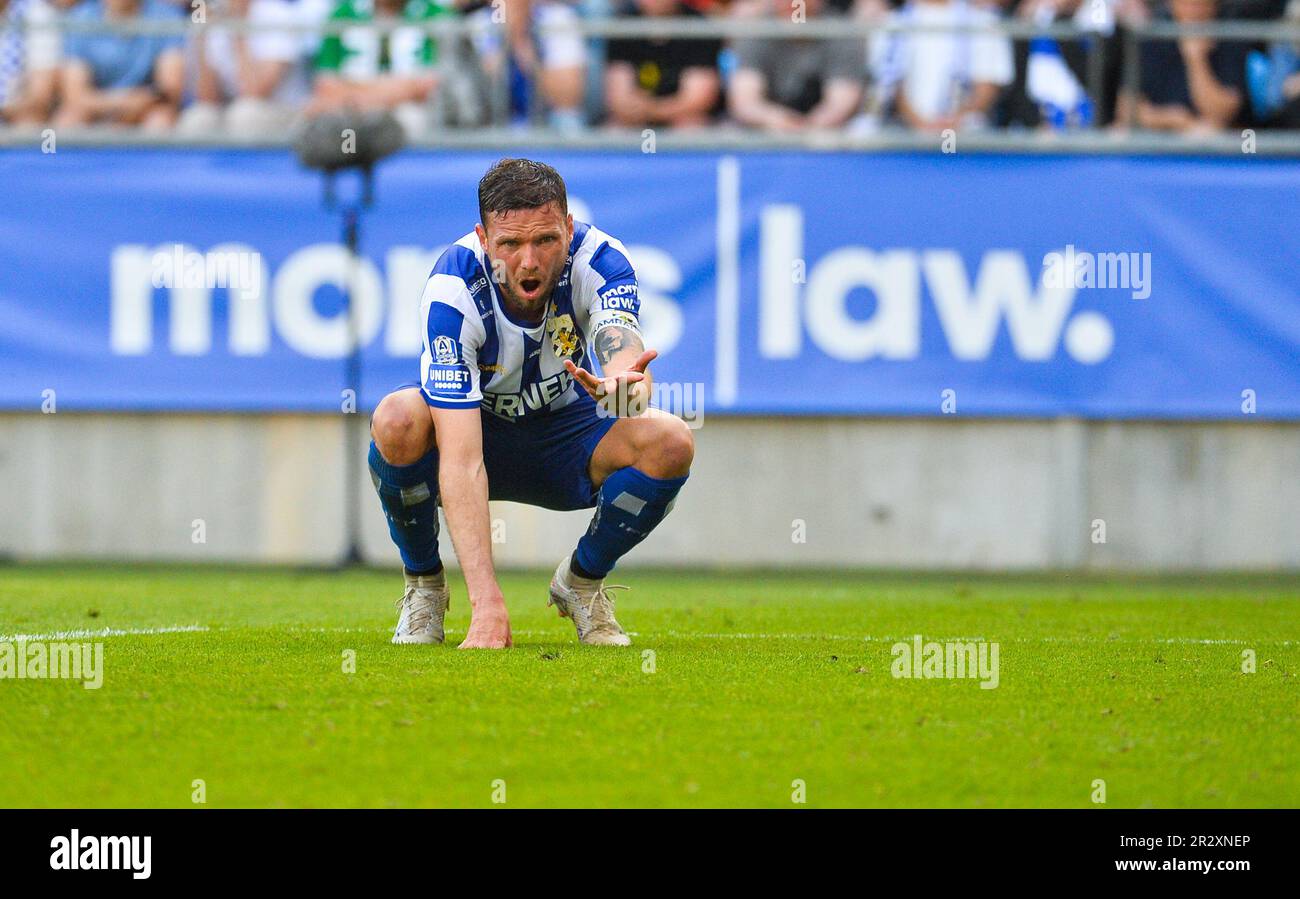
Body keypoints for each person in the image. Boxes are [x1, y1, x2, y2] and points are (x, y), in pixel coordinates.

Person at [368, 158, 694, 649]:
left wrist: (625, 390)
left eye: (545, 240)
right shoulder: (453, 290)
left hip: (570, 435)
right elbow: (460, 461)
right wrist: (488, 605)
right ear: (483, 238)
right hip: (481, 437)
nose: (529, 261)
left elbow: (627, 363)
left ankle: (582, 582)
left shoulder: (602, 262)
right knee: (396, 419)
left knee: (671, 440)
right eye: (510, 244)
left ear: (568, 226)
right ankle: (425, 588)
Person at [871, 0, 1014, 131]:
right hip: (903, 138)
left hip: (963, 140)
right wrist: (921, 125)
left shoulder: (983, 20)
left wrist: (951, 124)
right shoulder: (892, 21)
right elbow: (889, 86)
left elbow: (987, 88)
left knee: (950, 146)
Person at [178, 0, 316, 135]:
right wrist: (202, 36)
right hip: (234, 109)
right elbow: (206, 99)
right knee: (197, 119)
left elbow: (255, 93)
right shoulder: (210, 15)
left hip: (283, 110)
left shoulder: (278, 14)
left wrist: (237, 29)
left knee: (244, 115)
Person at [727, 0, 865, 130]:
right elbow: (745, 102)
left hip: (830, 136)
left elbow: (841, 103)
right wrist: (776, 119)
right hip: (767, 135)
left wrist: (809, 128)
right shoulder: (756, 30)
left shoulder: (841, 31)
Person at [55, 0, 185, 128]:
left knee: (160, 120)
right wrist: (122, 103)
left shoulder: (167, 16)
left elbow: (169, 90)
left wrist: (134, 107)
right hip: (97, 108)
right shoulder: (80, 18)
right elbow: (74, 95)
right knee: (68, 121)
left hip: (145, 109)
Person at [604, 0, 722, 127]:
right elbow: (618, 97)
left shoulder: (699, 26)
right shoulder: (622, 25)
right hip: (636, 116)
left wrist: (652, 110)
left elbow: (698, 99)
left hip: (682, 118)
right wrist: (639, 109)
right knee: (614, 132)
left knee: (692, 128)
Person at [1135, 0, 1248, 132]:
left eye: (1200, 4)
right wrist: (1175, 120)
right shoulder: (1154, 36)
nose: (1193, 11)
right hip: (1157, 139)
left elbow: (1220, 115)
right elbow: (1127, 109)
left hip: (1215, 145)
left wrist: (1196, 60)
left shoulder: (1230, 38)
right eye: (1185, 3)